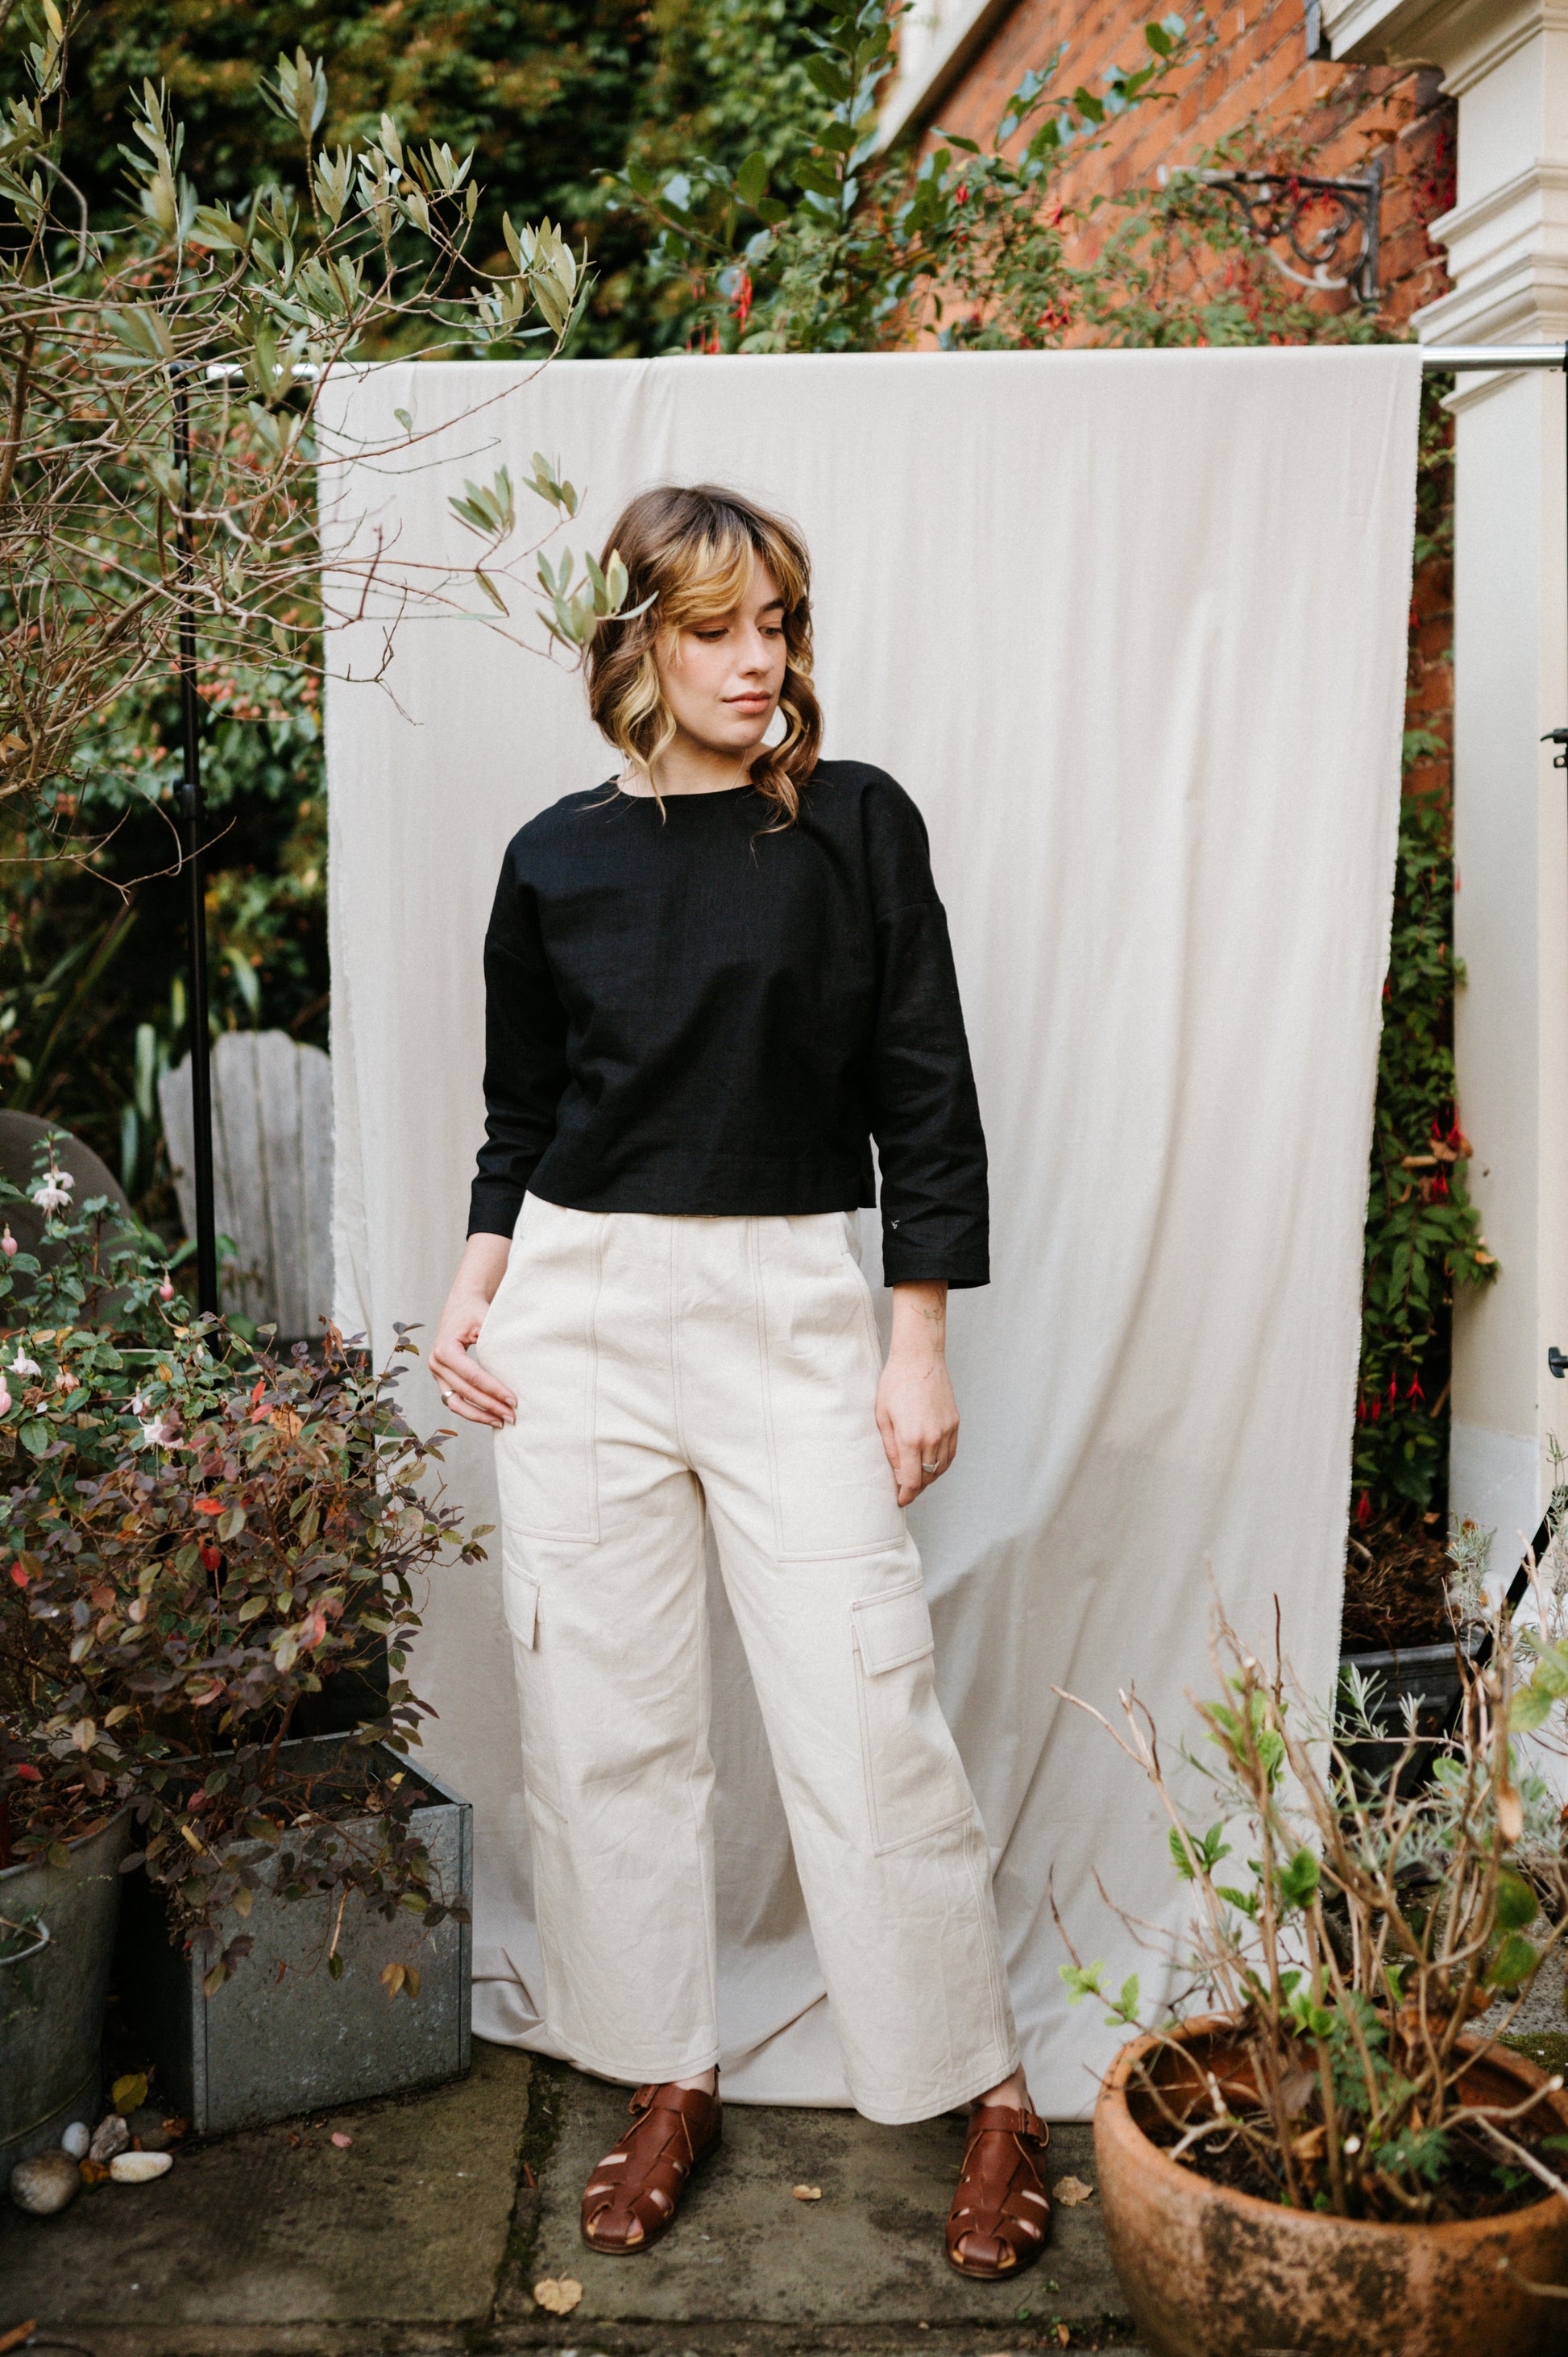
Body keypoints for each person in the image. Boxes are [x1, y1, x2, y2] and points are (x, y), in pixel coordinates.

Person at [429, 483, 1051, 2277]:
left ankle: (985, 2086)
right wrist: (474, 1296)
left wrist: (911, 1329)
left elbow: (922, 1088)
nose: (759, 658)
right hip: (581, 1312)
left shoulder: (854, 826)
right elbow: (522, 1114)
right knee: (605, 1723)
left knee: (864, 1710)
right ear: (630, 642)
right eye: (715, 626)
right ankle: (663, 2066)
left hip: (789, 1301)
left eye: (776, 620)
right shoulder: (553, 855)